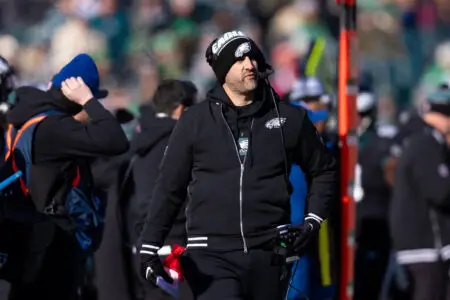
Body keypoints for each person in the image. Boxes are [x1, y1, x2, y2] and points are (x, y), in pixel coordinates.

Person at [138, 30, 337, 300]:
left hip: (270, 253)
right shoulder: (195, 121)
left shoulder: (289, 119)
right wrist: (149, 245)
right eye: (240, 59)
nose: (250, 65)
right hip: (209, 253)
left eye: (253, 57)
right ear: (222, 70)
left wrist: (313, 221)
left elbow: (324, 169)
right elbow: (169, 188)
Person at [5, 53, 129, 300]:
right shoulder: (56, 128)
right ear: (75, 99)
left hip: (26, 237)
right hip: (52, 244)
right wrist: (89, 100)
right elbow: (117, 141)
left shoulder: (28, 117)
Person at [128, 79, 197, 300]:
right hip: (175, 243)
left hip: (143, 242)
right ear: (180, 108)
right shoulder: (181, 142)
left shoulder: (139, 142)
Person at [390, 84, 450, 300]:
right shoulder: (426, 142)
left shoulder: (420, 137)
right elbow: (440, 191)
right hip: (422, 243)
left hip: (422, 242)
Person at [352, 91, 397, 300]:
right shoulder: (344, 142)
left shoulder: (381, 144)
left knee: (374, 280)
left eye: (361, 114)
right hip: (352, 220)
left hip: (377, 219)